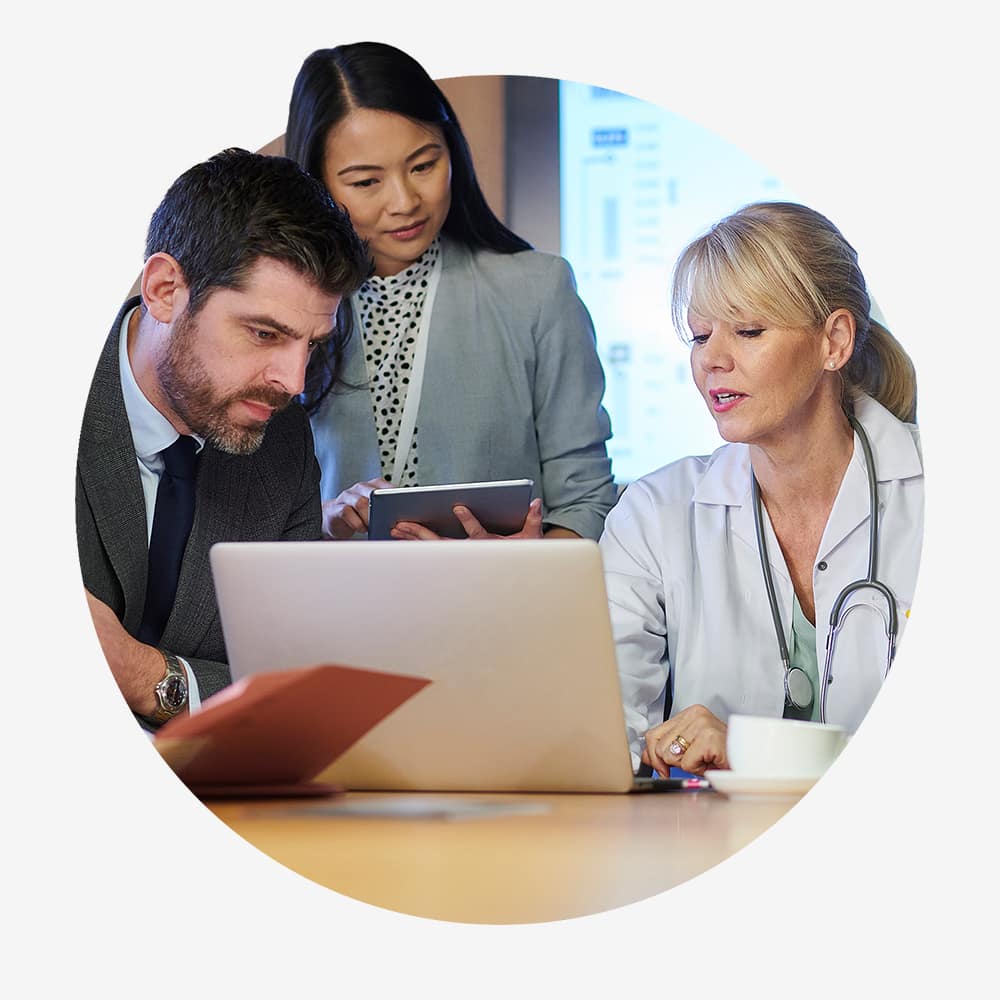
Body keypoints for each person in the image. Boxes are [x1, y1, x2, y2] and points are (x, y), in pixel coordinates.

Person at [598, 202, 923, 776]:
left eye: (748, 331)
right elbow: (600, 729)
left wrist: (755, 753)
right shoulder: (653, 515)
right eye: (700, 336)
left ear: (835, 342)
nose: (712, 361)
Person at [76, 148, 370, 728]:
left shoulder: (282, 436)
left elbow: (287, 679)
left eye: (311, 344)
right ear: (164, 289)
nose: (293, 381)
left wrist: (143, 675)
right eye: (264, 333)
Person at [284, 42, 616, 542]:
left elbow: (587, 499)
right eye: (367, 181)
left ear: (451, 151)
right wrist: (323, 520)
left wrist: (534, 558)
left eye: (423, 165)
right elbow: (249, 508)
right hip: (338, 606)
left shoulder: (537, 290)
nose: (404, 202)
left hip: (497, 609)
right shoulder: (288, 309)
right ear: (318, 183)